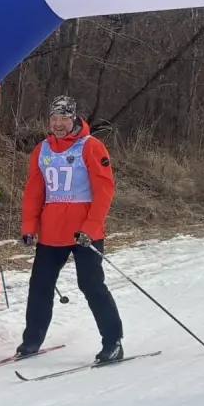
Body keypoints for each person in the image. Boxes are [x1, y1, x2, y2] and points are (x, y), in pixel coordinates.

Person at [17, 95, 124, 362]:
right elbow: (34, 191)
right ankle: (31, 341)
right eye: (54, 118)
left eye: (64, 118)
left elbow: (104, 191)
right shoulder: (42, 150)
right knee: (40, 285)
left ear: (74, 118)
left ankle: (113, 342)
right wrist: (29, 226)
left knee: (90, 285)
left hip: (84, 234)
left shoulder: (90, 146)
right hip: (52, 233)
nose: (58, 124)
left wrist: (91, 226)